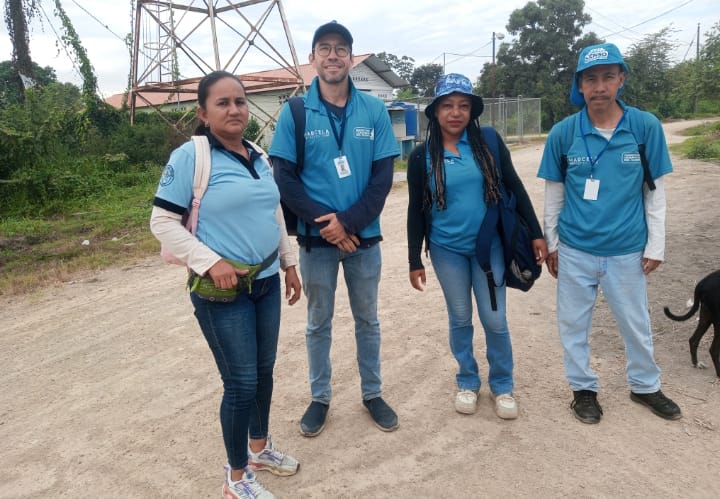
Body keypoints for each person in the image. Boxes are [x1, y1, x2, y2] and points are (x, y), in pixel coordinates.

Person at [150, 71, 302, 499]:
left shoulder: (259, 154)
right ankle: (236, 479)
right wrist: (210, 260)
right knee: (240, 383)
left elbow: (273, 214)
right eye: (223, 103)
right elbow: (161, 221)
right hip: (222, 293)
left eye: (240, 101)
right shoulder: (191, 157)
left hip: (266, 283)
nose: (234, 110)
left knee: (264, 372)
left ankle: (259, 449)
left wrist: (289, 262)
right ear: (203, 113)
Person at [537, 43, 682, 424]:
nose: (599, 86)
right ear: (579, 85)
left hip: (627, 249)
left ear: (621, 80)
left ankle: (645, 385)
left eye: (607, 77)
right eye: (590, 79)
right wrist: (553, 245)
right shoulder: (564, 133)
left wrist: (656, 245)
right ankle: (583, 389)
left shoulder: (644, 127)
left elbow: (654, 193)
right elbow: (554, 195)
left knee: (636, 322)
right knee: (573, 324)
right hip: (575, 249)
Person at [269, 21, 400, 436]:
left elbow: (382, 178)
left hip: (364, 238)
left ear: (351, 58)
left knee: (368, 320)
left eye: (340, 48)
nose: (332, 55)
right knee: (317, 323)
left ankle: (372, 393)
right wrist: (328, 224)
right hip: (316, 241)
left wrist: (348, 222)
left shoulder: (374, 110)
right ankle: (320, 398)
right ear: (312, 58)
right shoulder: (295, 112)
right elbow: (285, 178)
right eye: (323, 48)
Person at [407, 73, 547, 419]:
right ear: (435, 111)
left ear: (472, 111)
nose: (455, 113)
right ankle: (468, 380)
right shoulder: (422, 156)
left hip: (489, 247)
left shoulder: (488, 143)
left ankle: (502, 385)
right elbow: (415, 210)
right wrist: (414, 259)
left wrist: (536, 232)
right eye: (447, 105)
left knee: (494, 319)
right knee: (460, 317)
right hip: (446, 250)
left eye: (463, 106)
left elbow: (514, 185)